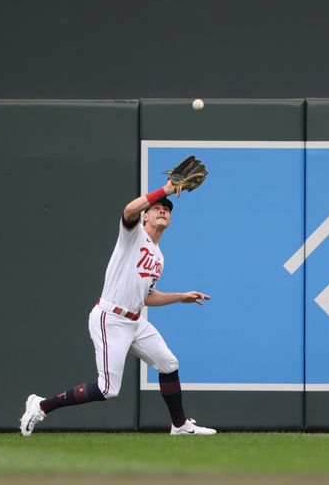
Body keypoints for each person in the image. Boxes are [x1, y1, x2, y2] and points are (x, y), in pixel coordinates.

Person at [20, 179, 216, 436]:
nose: (163, 210)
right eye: (157, 207)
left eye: (167, 208)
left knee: (169, 364)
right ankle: (41, 405)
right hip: (110, 318)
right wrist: (165, 190)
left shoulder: (159, 256)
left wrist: (179, 297)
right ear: (145, 216)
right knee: (107, 389)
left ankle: (179, 425)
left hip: (135, 321)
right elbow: (128, 211)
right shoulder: (133, 235)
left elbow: (146, 296)